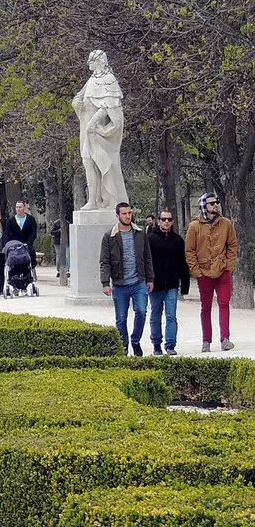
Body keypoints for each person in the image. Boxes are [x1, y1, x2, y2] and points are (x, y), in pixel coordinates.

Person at [73, 49, 128, 211]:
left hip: (97, 131)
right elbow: (79, 97)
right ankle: (93, 200)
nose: (89, 63)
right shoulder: (92, 80)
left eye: (91, 60)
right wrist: (76, 103)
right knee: (88, 163)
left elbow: (109, 107)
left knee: (100, 165)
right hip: (86, 128)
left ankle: (101, 200)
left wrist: (94, 122)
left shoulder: (109, 80)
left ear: (98, 62)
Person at [185, 192, 238, 352]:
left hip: (222, 270)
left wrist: (228, 265)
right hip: (204, 272)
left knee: (224, 303)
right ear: (204, 206)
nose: (215, 205)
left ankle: (225, 338)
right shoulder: (194, 226)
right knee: (205, 307)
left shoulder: (226, 224)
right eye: (211, 203)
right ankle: (206, 340)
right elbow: (189, 251)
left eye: (216, 202)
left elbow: (232, 245)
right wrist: (196, 272)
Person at [100, 201, 155, 356]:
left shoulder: (140, 233)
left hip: (139, 282)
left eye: (129, 213)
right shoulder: (109, 236)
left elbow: (147, 257)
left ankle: (135, 340)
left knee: (142, 311)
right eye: (124, 213)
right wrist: (105, 282)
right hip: (120, 283)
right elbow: (105, 261)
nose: (127, 216)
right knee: (121, 319)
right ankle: (123, 347)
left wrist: (150, 279)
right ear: (118, 215)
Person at [148, 209, 191, 356]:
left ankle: (171, 344)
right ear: (158, 221)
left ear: (172, 221)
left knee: (171, 315)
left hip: (172, 284)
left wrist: (185, 285)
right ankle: (156, 344)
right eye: (164, 219)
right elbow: (146, 262)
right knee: (155, 315)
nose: (167, 222)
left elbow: (182, 263)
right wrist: (148, 280)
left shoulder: (178, 240)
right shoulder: (150, 239)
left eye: (169, 219)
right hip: (155, 285)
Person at [4, 200, 38, 265]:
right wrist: (7, 245)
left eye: (20, 207)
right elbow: (6, 234)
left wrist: (29, 242)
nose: (18, 209)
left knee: (31, 260)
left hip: (27, 244)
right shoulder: (10, 220)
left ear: (24, 208)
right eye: (17, 207)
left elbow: (33, 232)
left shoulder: (31, 219)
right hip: (14, 246)